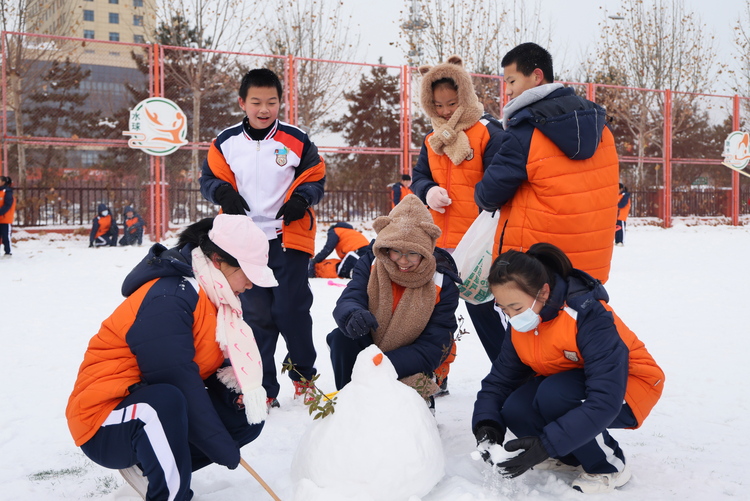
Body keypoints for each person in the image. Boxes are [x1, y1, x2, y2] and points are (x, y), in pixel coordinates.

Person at [66, 214, 276, 501]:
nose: (251, 285)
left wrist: (232, 398)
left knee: (246, 418)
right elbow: (174, 375)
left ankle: (151, 465)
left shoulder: (216, 300)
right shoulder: (170, 297)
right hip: (103, 419)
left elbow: (202, 369)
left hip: (149, 402)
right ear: (218, 260)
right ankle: (169, 493)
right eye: (248, 273)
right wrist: (218, 445)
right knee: (165, 401)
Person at [472, 243, 664, 494]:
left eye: (516, 307)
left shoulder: (586, 314)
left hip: (630, 386)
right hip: (573, 384)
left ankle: (608, 465)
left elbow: (605, 399)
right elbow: (499, 382)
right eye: (503, 308)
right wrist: (487, 426)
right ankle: (570, 457)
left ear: (543, 292)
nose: (510, 316)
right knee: (516, 407)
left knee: (553, 395)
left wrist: (546, 443)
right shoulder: (521, 323)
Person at [473, 42, 619, 362]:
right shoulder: (601, 130)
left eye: (511, 81)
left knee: (531, 352)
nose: (507, 91)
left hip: (536, 267)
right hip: (589, 266)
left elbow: (487, 195)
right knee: (575, 346)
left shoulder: (526, 133)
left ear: (536, 77)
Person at [200, 68, 326, 408]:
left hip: (287, 239)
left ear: (280, 103)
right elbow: (209, 178)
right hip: (244, 244)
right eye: (256, 101)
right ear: (243, 102)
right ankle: (264, 388)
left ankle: (303, 378)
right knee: (256, 317)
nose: (264, 108)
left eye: (271, 101)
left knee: (291, 310)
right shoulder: (226, 142)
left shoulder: (296, 140)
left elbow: (315, 177)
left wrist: (302, 199)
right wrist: (223, 193)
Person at [410, 54, 505, 390]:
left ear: (465, 95)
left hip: (479, 246)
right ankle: (435, 377)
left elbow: (501, 181)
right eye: (438, 105)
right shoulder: (432, 139)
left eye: (452, 103)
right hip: (441, 244)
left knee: (486, 315)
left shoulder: (486, 133)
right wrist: (428, 190)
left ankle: (509, 377)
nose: (446, 111)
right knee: (434, 317)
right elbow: (418, 177)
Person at [326, 195, 460, 413]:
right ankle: (351, 405)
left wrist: (383, 363)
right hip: (372, 346)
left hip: (411, 357)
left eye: (413, 253)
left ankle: (417, 403)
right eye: (396, 251)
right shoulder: (370, 263)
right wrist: (353, 314)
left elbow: (434, 344)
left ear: (426, 251)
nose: (403, 260)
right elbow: (352, 295)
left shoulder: (442, 283)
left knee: (402, 407)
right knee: (342, 338)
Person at [0, 176, 15, 258]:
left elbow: (8, 204)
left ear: (3, 182)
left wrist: (1, 212)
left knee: (5, 236)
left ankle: (7, 252)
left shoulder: (7, 192)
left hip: (5, 218)